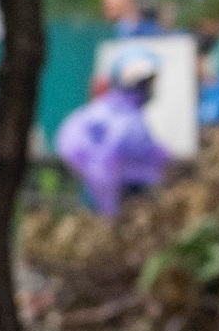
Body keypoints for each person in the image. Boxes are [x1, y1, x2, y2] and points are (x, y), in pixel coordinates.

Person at [56, 49, 170, 215]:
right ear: (140, 83)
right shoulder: (122, 117)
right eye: (151, 82)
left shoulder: (114, 111)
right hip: (119, 201)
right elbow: (118, 158)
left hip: (109, 198)